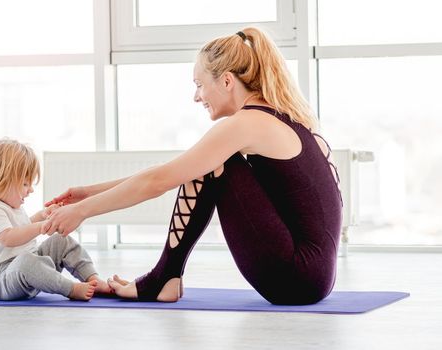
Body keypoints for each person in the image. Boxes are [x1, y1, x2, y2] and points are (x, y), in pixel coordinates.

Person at [44, 27, 342, 305]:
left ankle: (163, 278)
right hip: (314, 277)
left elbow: (159, 181)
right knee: (206, 164)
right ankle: (166, 277)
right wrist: (87, 193)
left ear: (227, 81)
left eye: (200, 85)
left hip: (295, 278)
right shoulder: (281, 116)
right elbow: (170, 171)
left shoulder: (247, 123)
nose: (196, 96)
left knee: (214, 166)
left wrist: (81, 211)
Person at [0, 139, 111, 301]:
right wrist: (41, 226)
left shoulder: (11, 205)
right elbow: (9, 238)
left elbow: (23, 226)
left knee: (60, 240)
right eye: (24, 184)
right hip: (4, 280)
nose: (30, 190)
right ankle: (70, 289)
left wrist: (43, 215)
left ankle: (92, 277)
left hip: (32, 268)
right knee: (26, 261)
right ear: (0, 180)